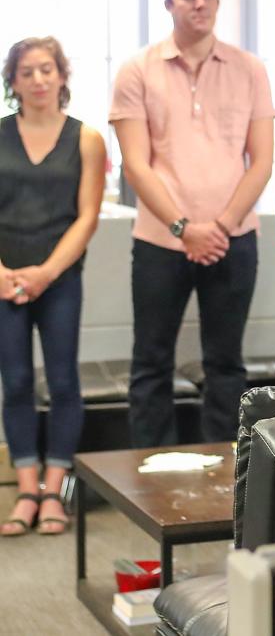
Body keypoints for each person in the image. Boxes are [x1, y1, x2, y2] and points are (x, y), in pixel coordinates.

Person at [110, 0, 275, 447]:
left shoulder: (250, 70)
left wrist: (219, 227)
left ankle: (227, 481)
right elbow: (136, 165)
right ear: (168, 4)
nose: (199, 3)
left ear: (219, 1)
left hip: (234, 241)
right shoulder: (136, 71)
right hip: (162, 242)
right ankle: (150, 485)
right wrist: (186, 228)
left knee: (226, 365)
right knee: (151, 364)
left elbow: (261, 162)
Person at [0, 37, 105, 536]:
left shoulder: (86, 139)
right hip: (2, 280)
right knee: (16, 382)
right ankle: (25, 491)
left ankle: (55, 492)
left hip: (59, 279)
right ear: (13, 82)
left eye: (47, 70)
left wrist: (46, 273)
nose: (38, 80)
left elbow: (87, 217)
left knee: (63, 383)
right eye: (27, 72)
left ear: (62, 76)